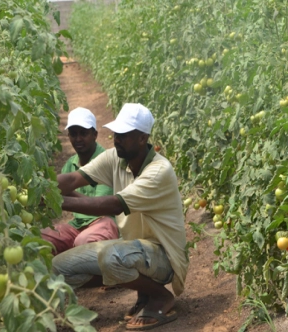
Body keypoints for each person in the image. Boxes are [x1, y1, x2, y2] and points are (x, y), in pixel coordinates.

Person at [52, 103, 189, 330]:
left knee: (109, 256)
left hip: (164, 257)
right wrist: (37, 188)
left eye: (124, 135)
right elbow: (73, 179)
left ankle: (160, 297)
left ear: (142, 138)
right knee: (59, 267)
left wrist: (56, 201)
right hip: (132, 249)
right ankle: (143, 292)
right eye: (116, 133)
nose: (116, 139)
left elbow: (113, 205)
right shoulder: (116, 158)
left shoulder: (159, 171)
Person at [41, 107, 119, 254]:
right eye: (73, 134)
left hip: (104, 222)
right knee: (41, 239)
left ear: (95, 135)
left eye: (84, 133)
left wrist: (62, 196)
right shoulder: (70, 164)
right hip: (77, 225)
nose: (78, 139)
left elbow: (100, 207)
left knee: (85, 241)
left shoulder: (106, 161)